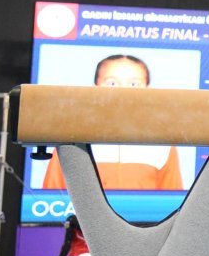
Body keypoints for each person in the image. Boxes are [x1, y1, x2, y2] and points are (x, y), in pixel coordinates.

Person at [40, 54, 185, 190]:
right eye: (112, 83)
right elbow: (50, 198)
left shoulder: (162, 145)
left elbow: (174, 205)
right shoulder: (72, 142)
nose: (123, 91)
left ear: (148, 89)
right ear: (95, 87)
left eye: (134, 84)